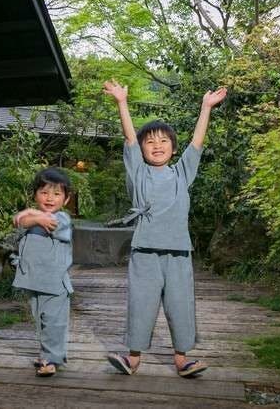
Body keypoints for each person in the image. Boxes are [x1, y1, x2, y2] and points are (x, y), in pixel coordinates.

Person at [103, 79, 227, 377]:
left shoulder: (182, 173)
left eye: (163, 141)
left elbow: (196, 144)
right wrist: (122, 102)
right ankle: (133, 359)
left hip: (179, 255)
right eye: (150, 141)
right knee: (141, 305)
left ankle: (182, 360)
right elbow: (130, 139)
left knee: (180, 306)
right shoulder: (138, 173)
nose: (156, 145)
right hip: (145, 254)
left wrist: (205, 108)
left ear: (173, 148)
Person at [11, 167, 73, 377]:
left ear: (66, 199)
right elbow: (19, 222)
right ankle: (48, 354)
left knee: (54, 323)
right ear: (35, 194)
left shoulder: (63, 219)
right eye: (44, 192)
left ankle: (51, 359)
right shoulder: (34, 220)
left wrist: (30, 213)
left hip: (55, 284)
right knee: (42, 321)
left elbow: (47, 221)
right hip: (34, 281)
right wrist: (26, 216)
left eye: (57, 194)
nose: (50, 198)